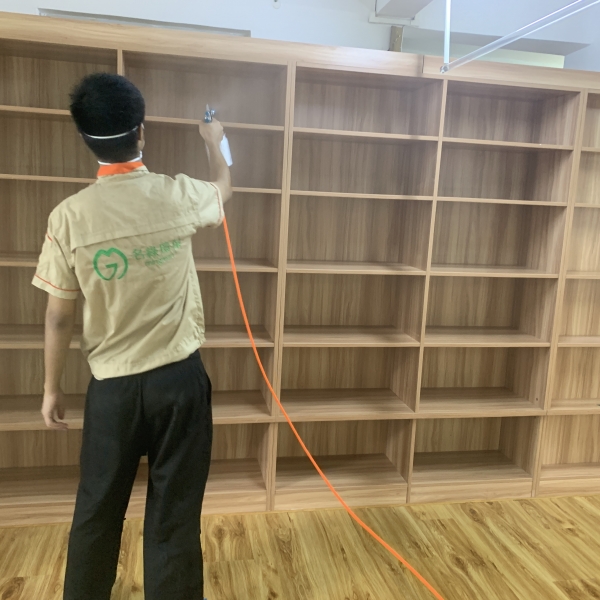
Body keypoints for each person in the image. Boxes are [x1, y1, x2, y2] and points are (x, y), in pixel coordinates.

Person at [33, 72, 232, 600]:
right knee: (175, 511)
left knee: (97, 507)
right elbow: (223, 189)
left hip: (112, 392)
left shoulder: (68, 217)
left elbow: (58, 317)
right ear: (140, 131)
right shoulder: (177, 194)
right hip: (180, 384)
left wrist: (51, 389)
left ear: (85, 138)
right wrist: (214, 144)